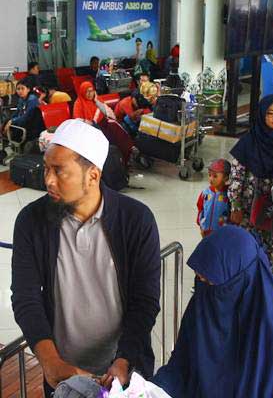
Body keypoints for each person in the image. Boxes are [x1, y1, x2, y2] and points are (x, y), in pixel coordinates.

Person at [11, 119, 161, 396]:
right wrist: (51, 362)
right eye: (46, 168)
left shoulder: (136, 221)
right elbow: (25, 298)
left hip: (123, 373)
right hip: (63, 375)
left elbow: (145, 301)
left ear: (93, 175)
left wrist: (124, 360)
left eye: (59, 171)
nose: (48, 180)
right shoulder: (32, 222)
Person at [152, 226, 273, 398]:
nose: (203, 286)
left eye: (210, 281)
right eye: (200, 279)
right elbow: (180, 366)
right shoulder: (203, 304)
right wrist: (154, 389)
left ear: (240, 280)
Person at [228, 95, 273, 255]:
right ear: (262, 115)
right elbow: (236, 176)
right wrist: (236, 206)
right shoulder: (249, 141)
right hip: (250, 208)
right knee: (248, 249)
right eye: (270, 113)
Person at [196, 159, 231, 238]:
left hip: (222, 232)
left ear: (225, 178)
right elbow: (200, 208)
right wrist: (201, 224)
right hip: (206, 230)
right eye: (209, 175)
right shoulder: (205, 193)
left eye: (215, 176)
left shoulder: (228, 194)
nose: (211, 178)